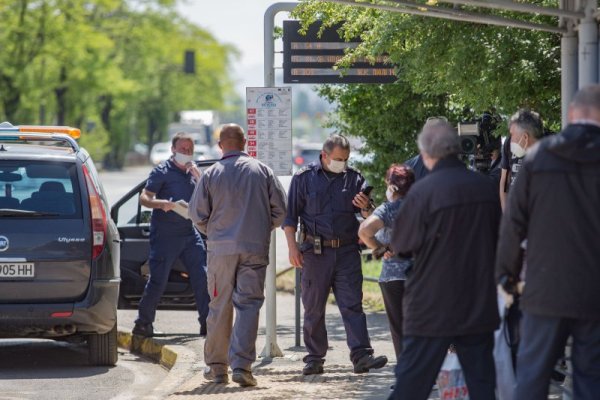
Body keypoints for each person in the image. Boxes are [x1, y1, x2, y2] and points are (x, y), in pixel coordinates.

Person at [495, 84, 600, 400]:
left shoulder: (539, 158)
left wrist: (506, 276)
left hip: (544, 288)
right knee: (592, 378)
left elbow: (513, 225)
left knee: (532, 376)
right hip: (594, 291)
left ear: (570, 115)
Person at [389, 118, 501, 400]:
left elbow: (401, 246)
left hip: (430, 306)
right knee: (482, 385)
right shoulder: (486, 189)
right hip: (477, 303)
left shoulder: (420, 194)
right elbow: (502, 240)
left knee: (411, 385)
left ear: (426, 154)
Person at [189, 123, 287, 387]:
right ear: (245, 143)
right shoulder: (263, 171)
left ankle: (218, 368)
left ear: (221, 145)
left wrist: (214, 232)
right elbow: (281, 212)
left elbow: (197, 215)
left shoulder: (211, 174)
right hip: (254, 249)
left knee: (219, 306)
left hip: (220, 251)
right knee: (249, 306)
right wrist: (259, 226)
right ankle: (242, 366)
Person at [282, 134, 388, 376]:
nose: (343, 163)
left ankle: (361, 355)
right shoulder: (304, 178)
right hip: (315, 252)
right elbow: (290, 219)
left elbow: (367, 216)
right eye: (338, 159)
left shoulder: (354, 178)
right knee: (313, 307)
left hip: (347, 252)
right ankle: (315, 358)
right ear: (324, 155)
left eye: (346, 159)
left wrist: (366, 207)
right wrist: (292, 248)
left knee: (353, 305)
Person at [132, 132, 210, 338]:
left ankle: (208, 325)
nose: (186, 153)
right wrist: (161, 204)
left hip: (188, 232)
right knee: (158, 280)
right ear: (173, 149)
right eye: (182, 149)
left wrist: (199, 178)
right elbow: (144, 198)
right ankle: (143, 324)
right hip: (165, 235)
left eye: (189, 150)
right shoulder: (162, 171)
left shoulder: (194, 172)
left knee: (203, 276)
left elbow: (209, 198)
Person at [358, 164, 415, 359]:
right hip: (423, 274)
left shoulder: (388, 209)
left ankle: (407, 375)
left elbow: (364, 231)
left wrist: (381, 249)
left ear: (392, 187)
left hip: (394, 276)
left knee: (399, 328)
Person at [499, 109, 544, 210]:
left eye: (513, 135)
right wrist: (506, 213)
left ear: (525, 137)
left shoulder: (549, 148)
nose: (511, 140)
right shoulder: (508, 144)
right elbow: (504, 180)